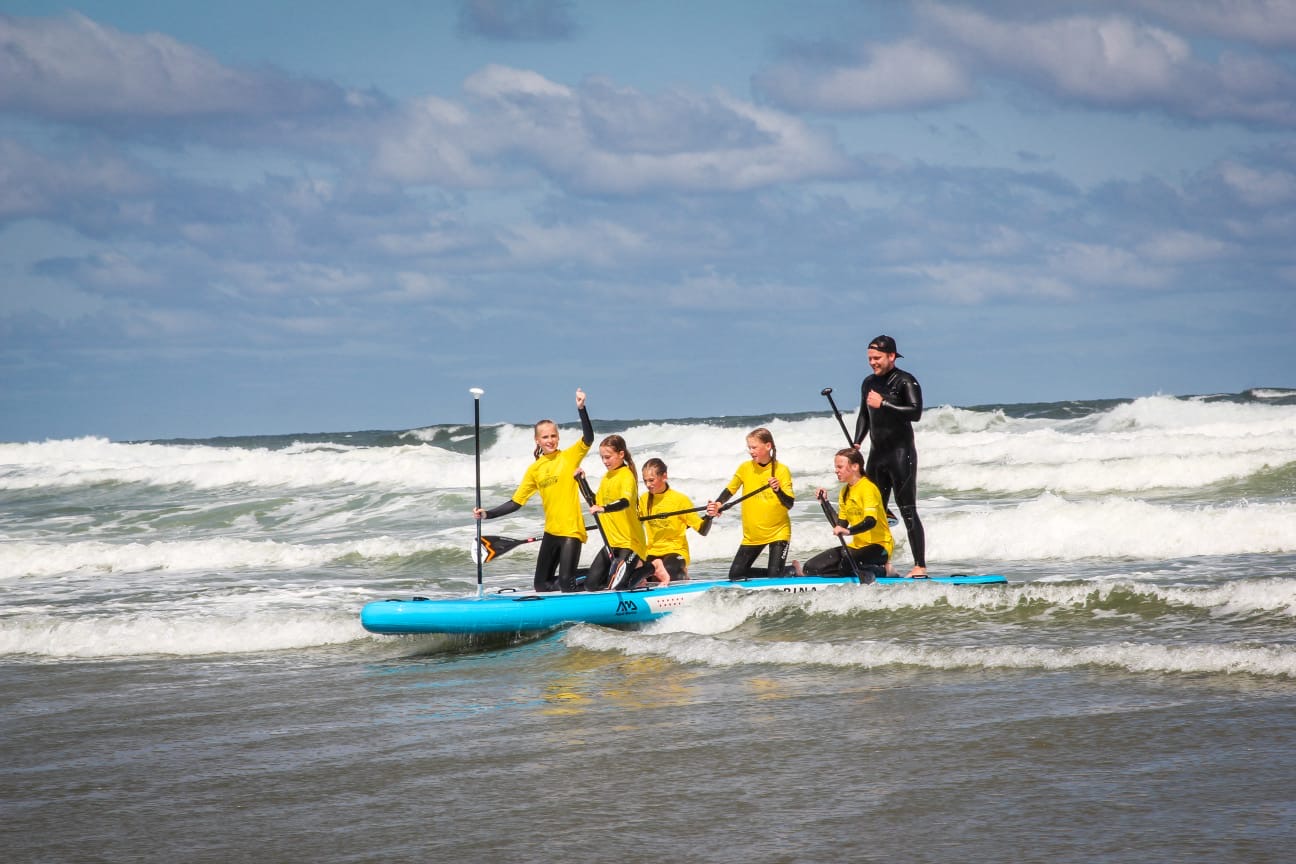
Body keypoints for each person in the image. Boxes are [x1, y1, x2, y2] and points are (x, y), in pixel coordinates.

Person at [473, 389, 593, 592]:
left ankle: (600, 573)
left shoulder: (569, 457)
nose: (550, 440)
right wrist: (487, 514)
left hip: (571, 531)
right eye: (545, 437)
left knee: (566, 584)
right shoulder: (535, 470)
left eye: (553, 435)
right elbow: (516, 502)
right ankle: (589, 576)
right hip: (551, 532)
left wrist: (581, 409)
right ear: (537, 440)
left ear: (558, 437)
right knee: (541, 585)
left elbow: (588, 438)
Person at [852, 334, 928, 578]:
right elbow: (865, 415)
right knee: (875, 512)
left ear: (891, 356)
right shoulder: (868, 383)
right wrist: (857, 441)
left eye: (877, 358)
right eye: (870, 358)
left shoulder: (906, 381)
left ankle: (919, 566)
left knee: (908, 510)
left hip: (900, 455)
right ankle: (882, 565)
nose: (873, 362)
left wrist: (884, 403)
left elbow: (915, 412)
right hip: (877, 456)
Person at [705, 427, 795, 580]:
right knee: (736, 575)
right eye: (749, 448)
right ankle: (789, 570)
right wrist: (718, 504)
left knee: (774, 580)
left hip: (778, 532)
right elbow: (730, 489)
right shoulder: (745, 468)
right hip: (753, 535)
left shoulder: (781, 470)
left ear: (768, 446)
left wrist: (778, 490)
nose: (751, 451)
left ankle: (780, 573)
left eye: (754, 447)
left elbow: (789, 504)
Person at [799, 448, 893, 579]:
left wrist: (849, 531)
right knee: (810, 568)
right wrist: (824, 502)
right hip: (856, 547)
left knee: (846, 565)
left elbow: (871, 521)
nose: (836, 470)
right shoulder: (844, 492)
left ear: (855, 466)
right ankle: (853, 572)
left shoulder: (868, 488)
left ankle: (884, 571)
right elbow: (840, 524)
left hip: (879, 547)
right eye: (835, 467)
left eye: (840, 467)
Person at [618, 457, 706, 589]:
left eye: (651, 480)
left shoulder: (679, 500)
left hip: (676, 551)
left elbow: (702, 530)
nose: (648, 484)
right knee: (632, 576)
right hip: (651, 551)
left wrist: (709, 516)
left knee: (670, 569)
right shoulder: (643, 499)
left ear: (664, 476)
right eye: (645, 481)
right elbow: (632, 524)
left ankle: (683, 576)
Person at [583, 434, 647, 591]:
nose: (605, 461)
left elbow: (624, 502)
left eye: (608, 457)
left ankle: (648, 568)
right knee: (591, 586)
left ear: (621, 454)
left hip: (630, 544)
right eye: (602, 458)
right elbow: (595, 500)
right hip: (611, 543)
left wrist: (603, 509)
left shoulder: (627, 476)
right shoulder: (607, 477)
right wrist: (582, 480)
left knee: (617, 586)